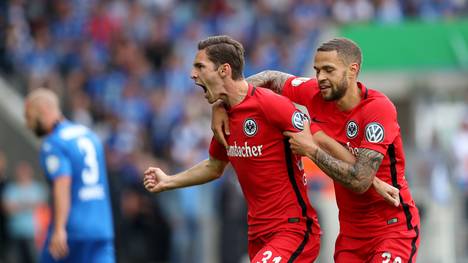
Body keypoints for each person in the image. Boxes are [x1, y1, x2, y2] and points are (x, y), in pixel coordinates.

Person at [143, 35, 396, 262]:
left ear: (224, 70)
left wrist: (369, 180)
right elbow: (214, 166)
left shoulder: (271, 106)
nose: (192, 74)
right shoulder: (227, 118)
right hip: (258, 234)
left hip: (294, 230)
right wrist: (168, 181)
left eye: (200, 66)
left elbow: (315, 139)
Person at [212, 37, 420, 262]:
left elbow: (360, 180)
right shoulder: (316, 94)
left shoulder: (378, 109)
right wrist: (224, 104)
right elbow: (271, 78)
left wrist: (311, 149)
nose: (320, 78)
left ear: (353, 70)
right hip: (351, 235)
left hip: (392, 228)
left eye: (328, 70)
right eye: (317, 70)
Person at [24, 88, 115, 263]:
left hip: (72, 229)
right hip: (102, 228)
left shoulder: (54, 143)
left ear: (43, 110)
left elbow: (62, 183)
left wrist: (59, 228)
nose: (29, 125)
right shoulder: (90, 135)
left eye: (29, 116)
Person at [2, 161, 47, 263]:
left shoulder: (38, 189)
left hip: (34, 233)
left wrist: (18, 205)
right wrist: (28, 205)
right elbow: (8, 209)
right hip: (14, 232)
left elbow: (41, 207)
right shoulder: (10, 189)